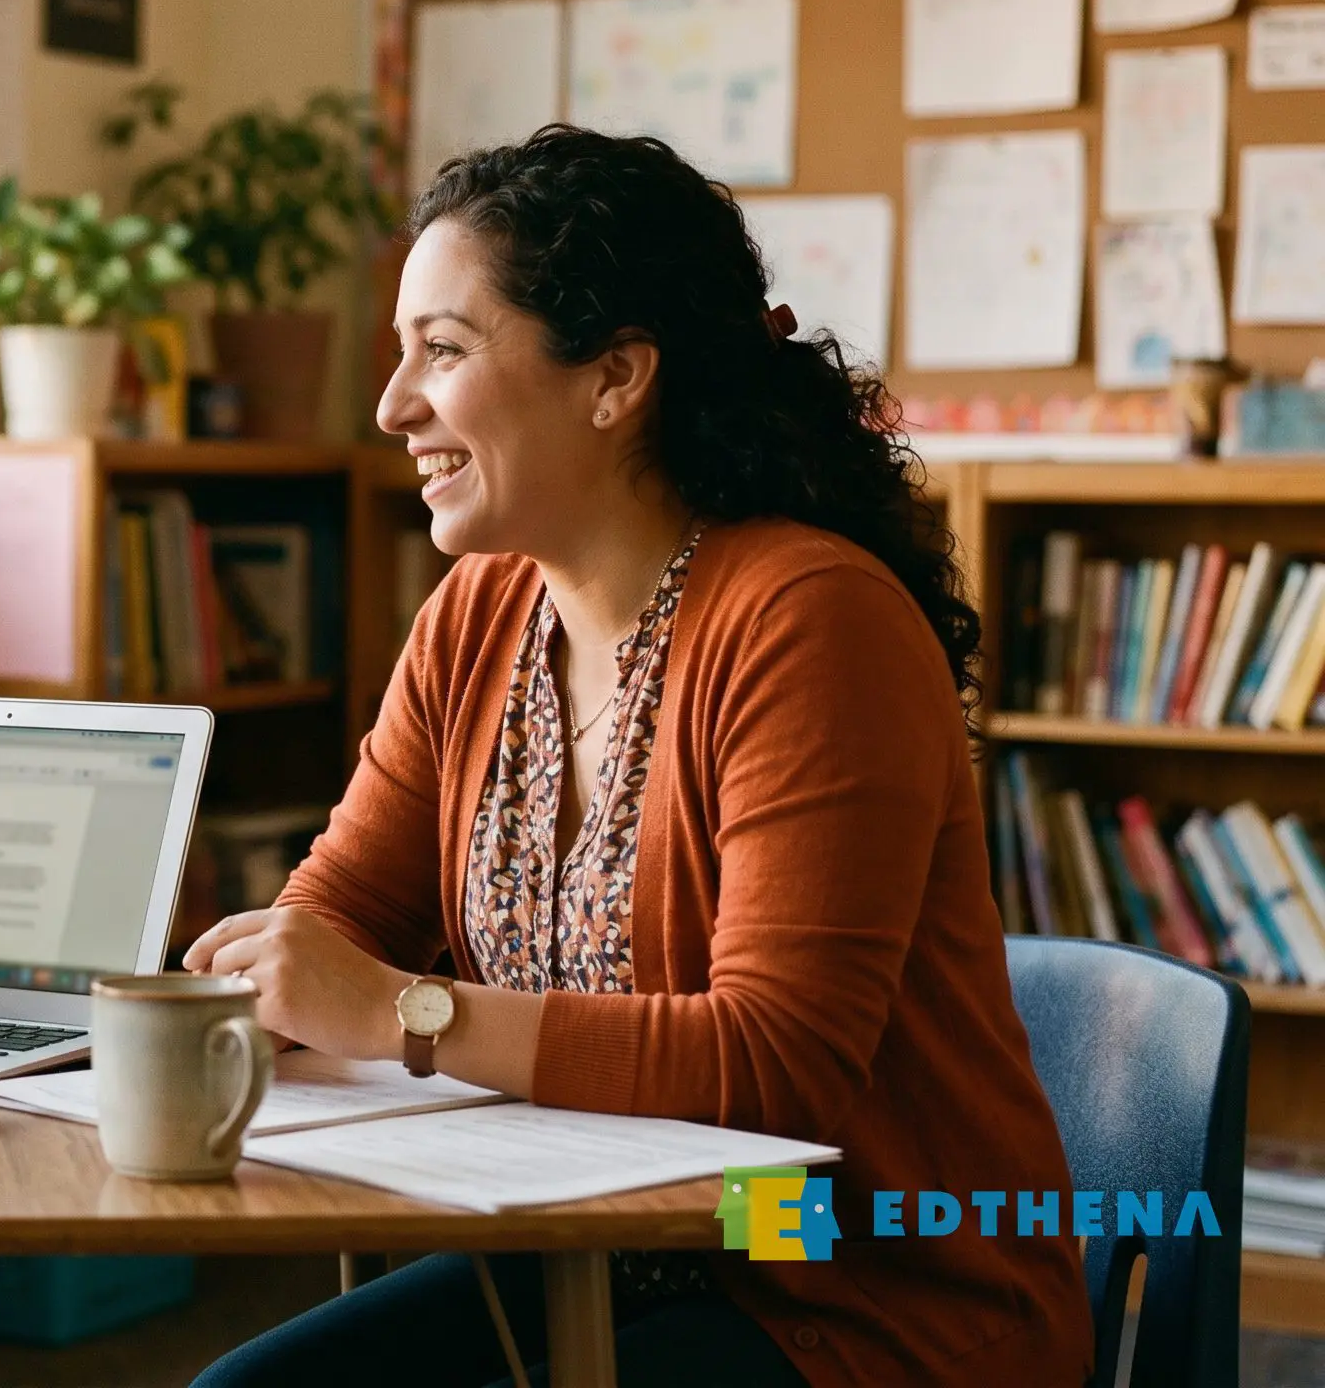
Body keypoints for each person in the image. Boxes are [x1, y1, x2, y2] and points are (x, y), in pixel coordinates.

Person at [186, 127, 1091, 1388]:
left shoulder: (809, 620)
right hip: (585, 1254)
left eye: (440, 351)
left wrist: (402, 1012)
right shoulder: (478, 613)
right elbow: (334, 918)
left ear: (614, 379)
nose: (391, 406)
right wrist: (251, 988)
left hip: (856, 1289)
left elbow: (771, 1071)